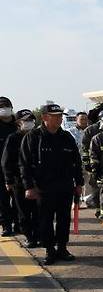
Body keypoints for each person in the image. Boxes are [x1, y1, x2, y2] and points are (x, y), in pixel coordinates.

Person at [19, 103, 83, 265]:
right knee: (45, 220)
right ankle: (49, 250)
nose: (60, 119)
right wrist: (28, 186)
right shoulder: (33, 137)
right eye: (56, 116)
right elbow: (24, 164)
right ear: (45, 118)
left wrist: (79, 183)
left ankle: (62, 248)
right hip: (43, 188)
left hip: (65, 187)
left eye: (60, 116)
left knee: (63, 219)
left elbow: (76, 162)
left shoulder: (66, 137)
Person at [3, 110, 39, 248]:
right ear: (18, 122)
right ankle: (29, 237)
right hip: (19, 181)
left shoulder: (37, 136)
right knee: (23, 212)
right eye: (26, 120)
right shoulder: (13, 138)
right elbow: (6, 161)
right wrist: (8, 180)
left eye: (31, 119)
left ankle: (38, 235)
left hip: (36, 181)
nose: (30, 122)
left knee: (37, 211)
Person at [81, 103, 103, 210]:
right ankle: (99, 209)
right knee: (96, 188)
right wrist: (87, 164)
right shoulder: (90, 130)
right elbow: (85, 149)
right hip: (95, 163)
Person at [0, 97, 17, 236]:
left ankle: (19, 224)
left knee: (18, 200)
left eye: (7, 106)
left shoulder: (18, 125)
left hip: (18, 169)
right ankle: (6, 226)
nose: (4, 109)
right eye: (1, 106)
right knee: (3, 200)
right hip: (1, 171)